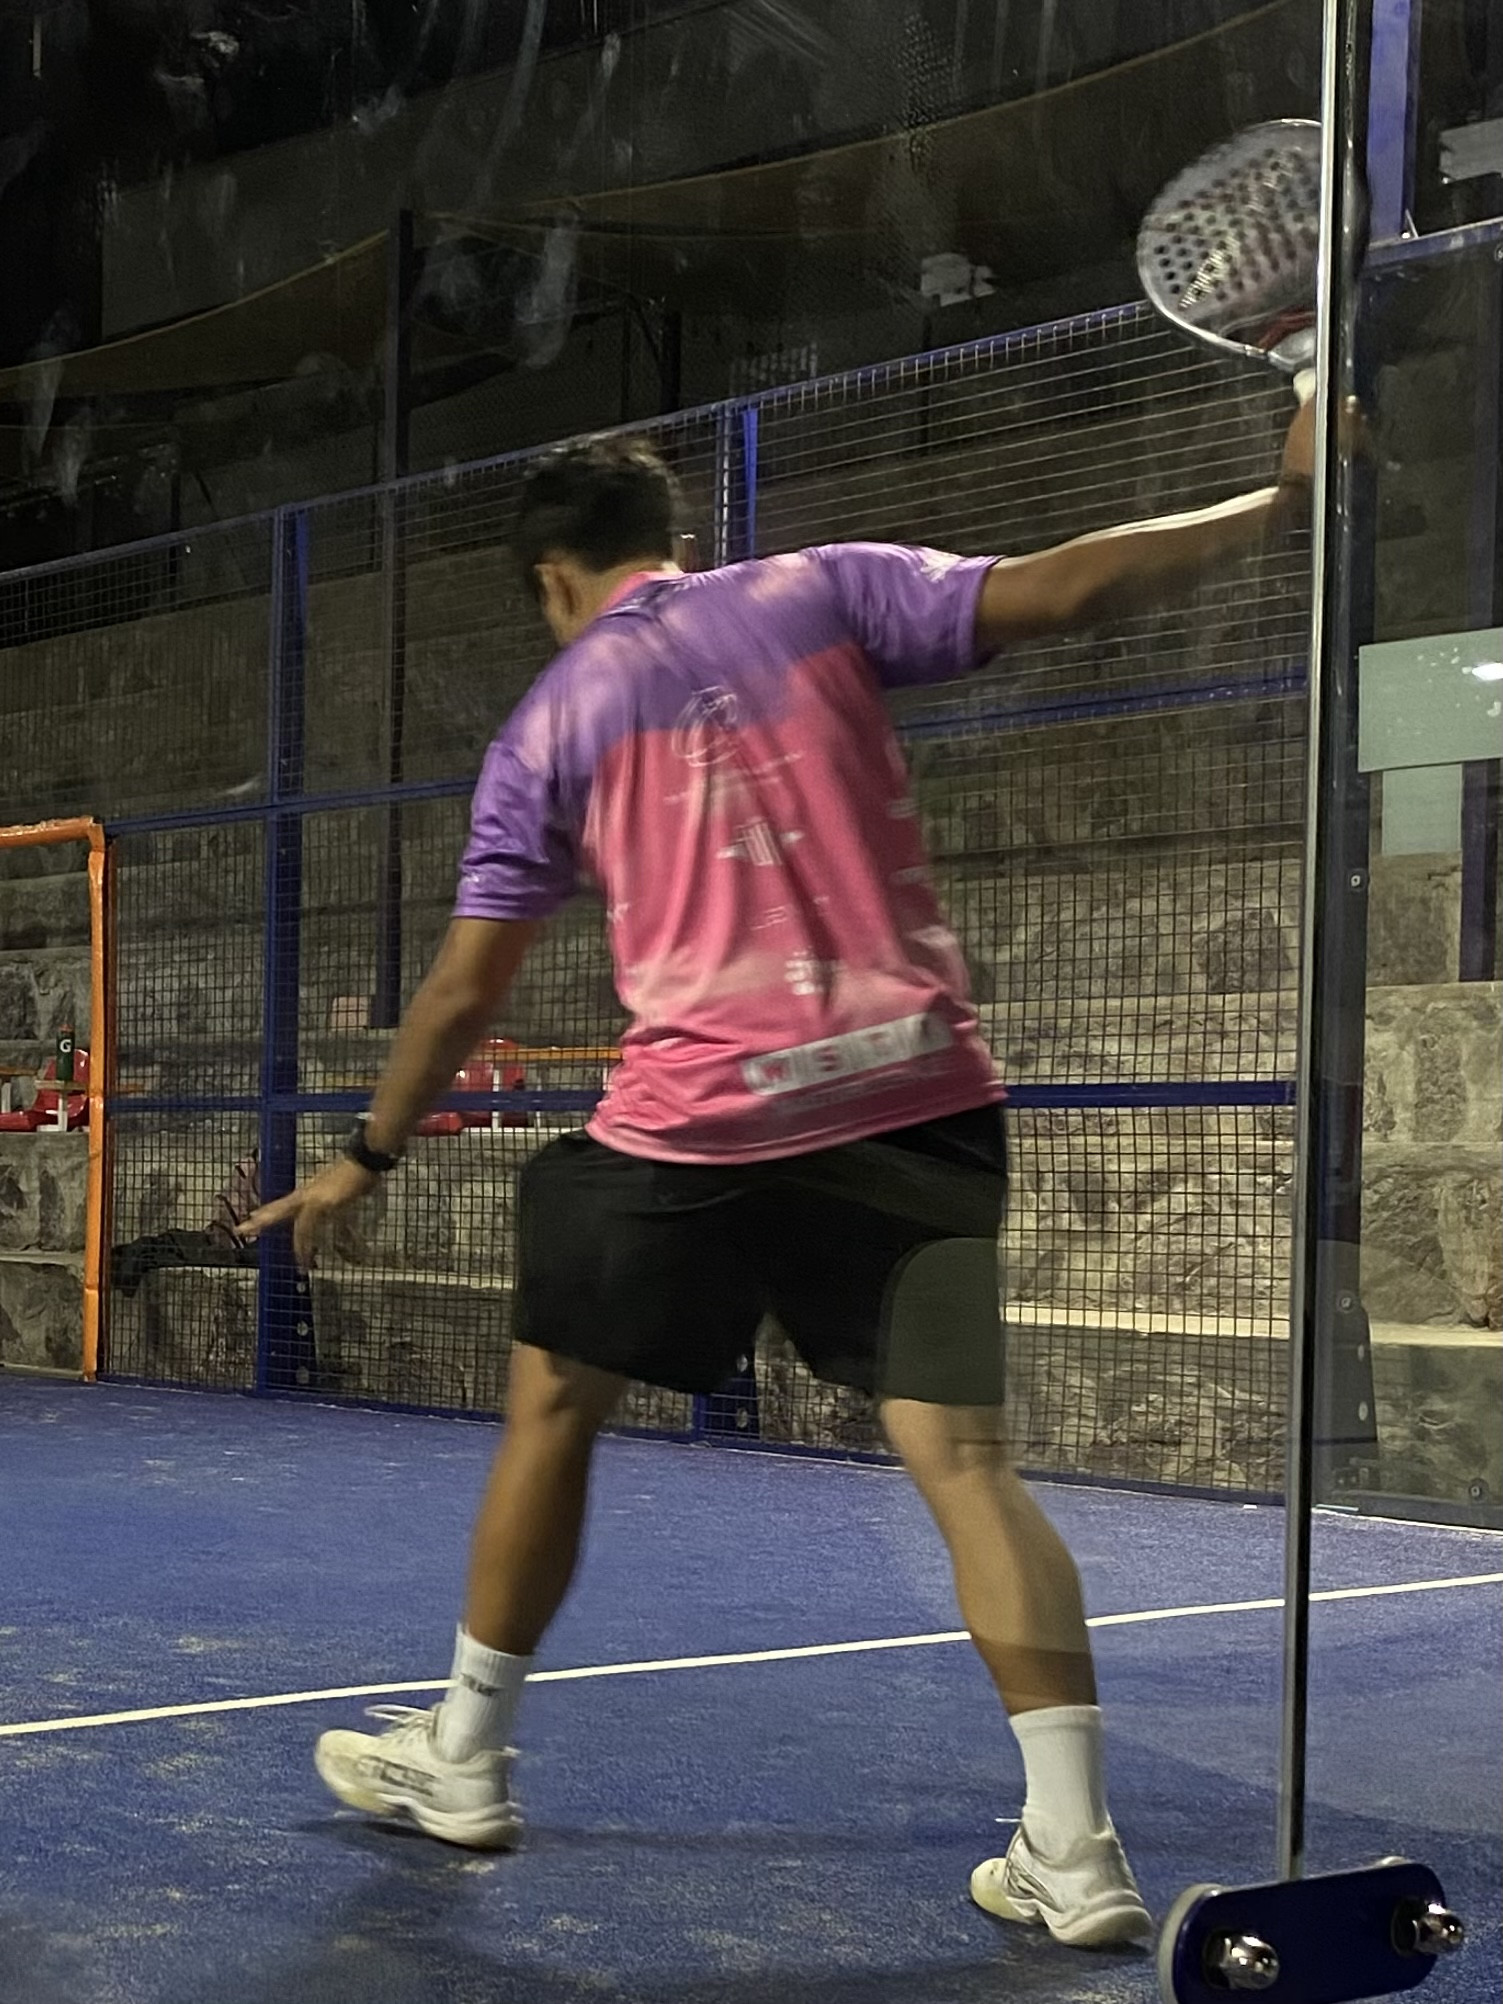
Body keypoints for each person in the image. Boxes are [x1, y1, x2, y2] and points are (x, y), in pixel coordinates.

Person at [246, 398, 1322, 1949]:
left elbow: (469, 987)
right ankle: (1077, 1851)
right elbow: (1069, 585)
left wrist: (363, 1155)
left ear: (553, 579)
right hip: (916, 1099)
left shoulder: (552, 720)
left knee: (554, 1407)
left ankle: (465, 1755)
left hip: (702, 1125)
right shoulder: (820, 589)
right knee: (969, 1467)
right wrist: (1274, 507)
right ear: (674, 544)